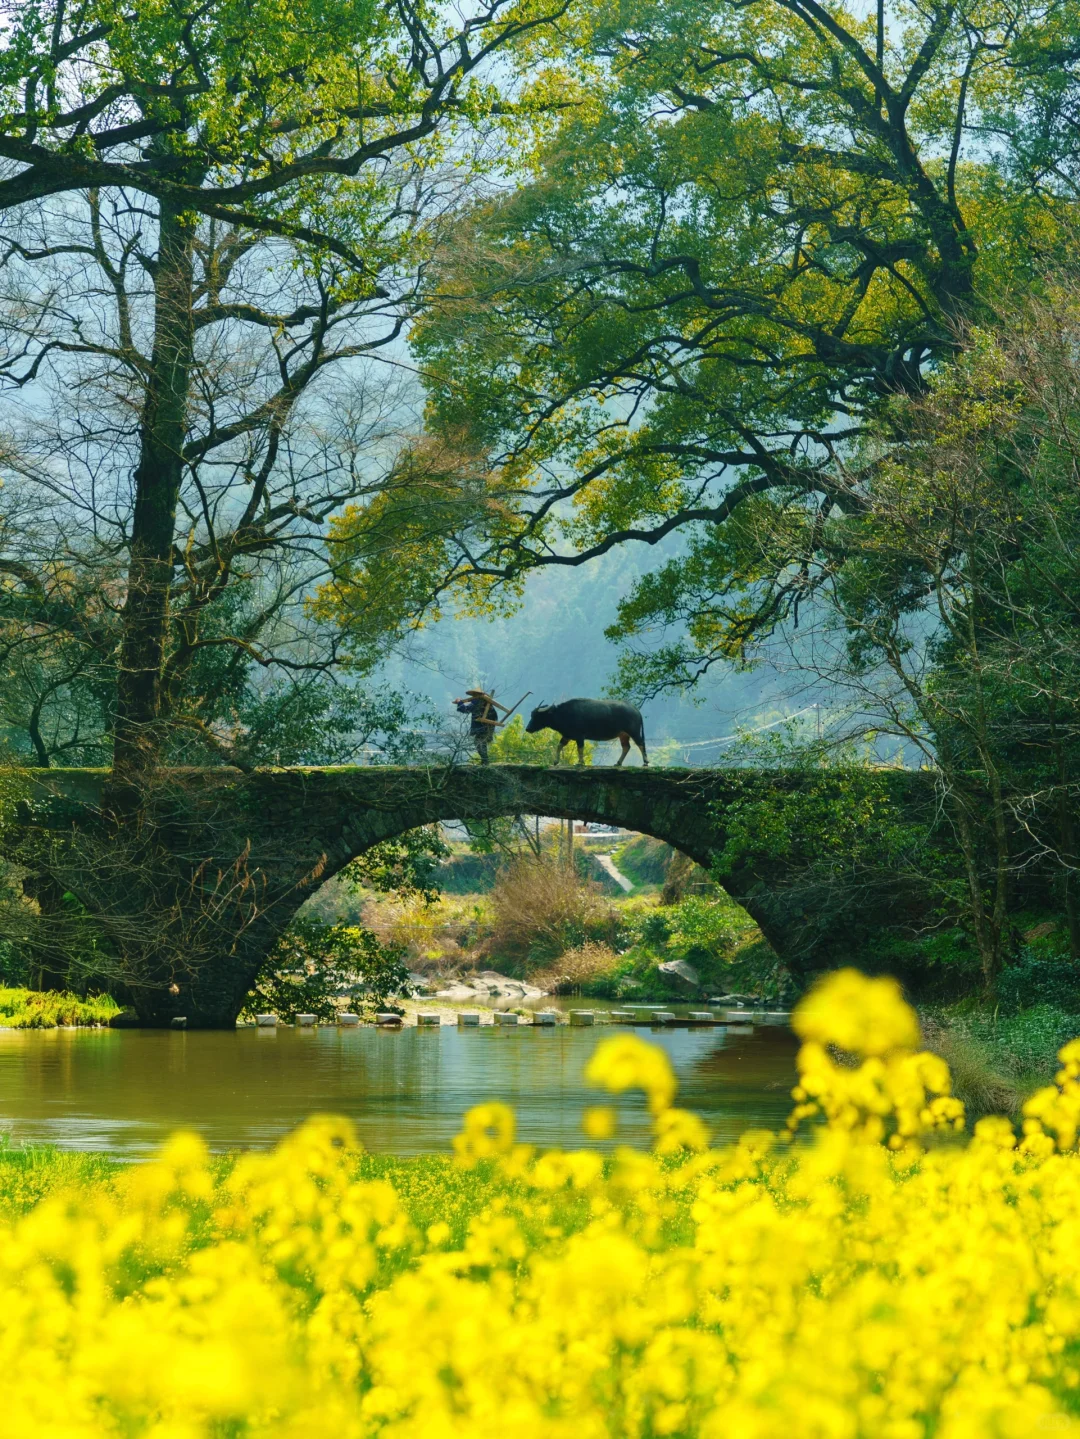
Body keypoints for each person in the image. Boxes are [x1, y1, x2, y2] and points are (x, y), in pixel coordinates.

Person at [453, 688, 509, 765]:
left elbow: (465, 709)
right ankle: (485, 761)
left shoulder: (478, 700)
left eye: (474, 694)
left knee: (479, 742)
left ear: (477, 694)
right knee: (481, 742)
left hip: (482, 727)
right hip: (488, 727)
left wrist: (459, 702)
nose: (473, 696)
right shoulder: (486, 701)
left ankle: (485, 761)